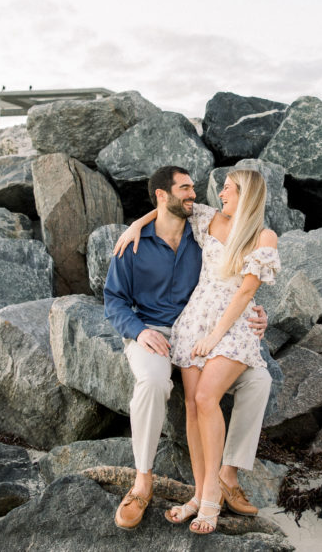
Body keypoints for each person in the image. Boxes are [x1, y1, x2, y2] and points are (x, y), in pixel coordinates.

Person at [103, 166, 274, 531]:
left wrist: (257, 315)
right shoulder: (137, 242)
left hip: (212, 326)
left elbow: (244, 288)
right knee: (169, 391)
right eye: (186, 189)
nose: (199, 194)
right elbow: (113, 299)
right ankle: (146, 483)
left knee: (260, 381)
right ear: (164, 195)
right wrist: (137, 330)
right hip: (169, 329)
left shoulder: (219, 228)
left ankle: (226, 476)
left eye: (225, 188)